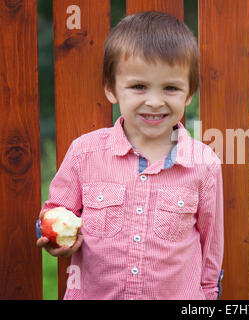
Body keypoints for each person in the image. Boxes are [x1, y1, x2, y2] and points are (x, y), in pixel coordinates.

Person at [36, 11, 224, 300]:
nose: (154, 101)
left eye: (171, 88)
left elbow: (211, 247)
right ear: (111, 89)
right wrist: (55, 237)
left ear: (189, 94)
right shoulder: (85, 154)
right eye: (139, 86)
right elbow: (56, 212)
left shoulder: (204, 165)